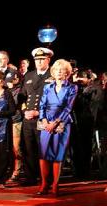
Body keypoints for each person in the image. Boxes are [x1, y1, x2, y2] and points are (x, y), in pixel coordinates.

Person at [38, 59, 78, 196]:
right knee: (43, 153)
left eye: (62, 69)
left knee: (57, 154)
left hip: (62, 123)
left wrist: (55, 123)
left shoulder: (72, 88)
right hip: (46, 122)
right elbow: (42, 105)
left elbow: (68, 108)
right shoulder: (47, 87)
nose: (59, 71)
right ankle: (44, 184)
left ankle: (55, 184)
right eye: (56, 69)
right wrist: (44, 120)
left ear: (67, 72)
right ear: (53, 72)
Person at [17, 47, 53, 186]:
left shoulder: (52, 75)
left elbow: (55, 100)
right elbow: (22, 97)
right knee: (28, 148)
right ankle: (30, 177)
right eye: (37, 59)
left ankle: (46, 178)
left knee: (44, 148)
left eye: (42, 59)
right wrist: (25, 111)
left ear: (48, 60)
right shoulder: (29, 75)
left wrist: (38, 112)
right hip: (28, 118)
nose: (39, 62)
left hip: (43, 118)